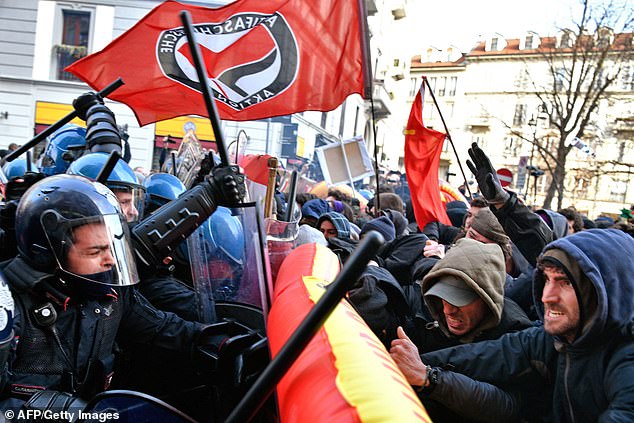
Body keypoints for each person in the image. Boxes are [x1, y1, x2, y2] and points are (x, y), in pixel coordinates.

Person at [0, 174, 256, 411]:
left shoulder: (110, 296)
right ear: (46, 254)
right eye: (95, 252)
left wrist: (225, 344)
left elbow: (161, 329)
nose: (110, 260)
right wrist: (61, 412)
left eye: (112, 248)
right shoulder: (9, 307)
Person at [391, 229, 634, 422]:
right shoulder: (554, 337)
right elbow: (486, 355)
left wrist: (430, 378)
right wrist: (408, 365)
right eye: (547, 279)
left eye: (565, 282)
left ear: (604, 289)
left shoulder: (627, 359)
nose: (547, 296)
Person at [413, 238, 531, 353]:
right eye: (443, 297)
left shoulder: (514, 338)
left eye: (459, 300)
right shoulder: (431, 309)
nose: (448, 310)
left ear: (487, 299)